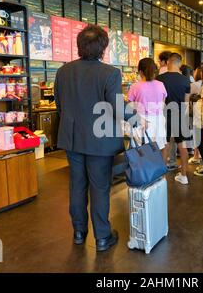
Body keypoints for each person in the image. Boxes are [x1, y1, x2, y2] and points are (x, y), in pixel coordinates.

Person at [54, 25, 139, 252]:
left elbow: (60, 107)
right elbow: (117, 106)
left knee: (77, 186)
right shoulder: (109, 73)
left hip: (72, 139)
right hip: (99, 142)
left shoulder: (63, 71)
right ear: (103, 47)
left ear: (80, 46)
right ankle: (102, 237)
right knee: (100, 188)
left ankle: (79, 233)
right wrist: (137, 119)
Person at [157, 53, 191, 185]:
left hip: (164, 115)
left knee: (164, 146)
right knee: (182, 146)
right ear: (179, 63)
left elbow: (159, 100)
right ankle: (184, 176)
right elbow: (186, 103)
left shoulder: (159, 78)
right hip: (180, 115)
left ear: (169, 62)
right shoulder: (185, 80)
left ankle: (161, 178)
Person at [127, 58, 168, 160]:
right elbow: (163, 102)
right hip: (158, 119)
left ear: (140, 72)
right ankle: (162, 174)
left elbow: (130, 106)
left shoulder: (135, 87)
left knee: (141, 148)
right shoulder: (161, 85)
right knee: (161, 146)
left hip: (141, 120)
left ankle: (145, 173)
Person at [188, 66, 203, 165]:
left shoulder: (194, 85)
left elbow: (187, 97)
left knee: (196, 133)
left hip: (195, 113)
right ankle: (201, 154)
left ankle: (196, 156)